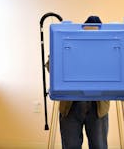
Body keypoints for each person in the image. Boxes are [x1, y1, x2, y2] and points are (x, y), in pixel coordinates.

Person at [46, 16, 110, 149]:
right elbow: (49, 67)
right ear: (83, 30)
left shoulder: (107, 48)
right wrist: (56, 52)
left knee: (99, 146)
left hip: (97, 106)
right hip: (70, 104)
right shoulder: (69, 43)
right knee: (70, 146)